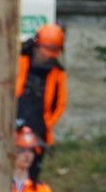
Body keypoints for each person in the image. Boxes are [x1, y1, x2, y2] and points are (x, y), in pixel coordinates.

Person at [15, 23, 67, 182]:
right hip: (12, 127)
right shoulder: (20, 61)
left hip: (38, 132)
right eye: (46, 52)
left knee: (31, 179)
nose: (48, 57)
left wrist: (45, 125)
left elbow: (60, 104)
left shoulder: (57, 73)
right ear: (36, 46)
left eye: (53, 53)